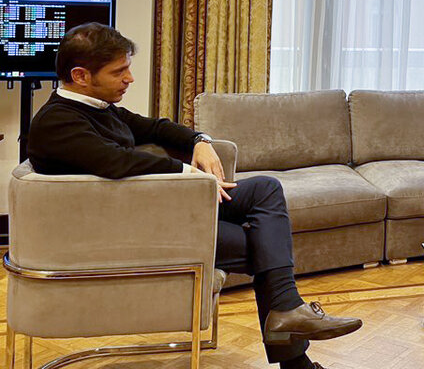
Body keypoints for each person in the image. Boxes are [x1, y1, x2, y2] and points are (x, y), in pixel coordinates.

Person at [26, 23, 361, 369]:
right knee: (264, 249)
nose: (130, 78)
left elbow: (154, 127)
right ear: (80, 75)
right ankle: (294, 349)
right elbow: (116, 161)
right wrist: (191, 176)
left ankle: (287, 313)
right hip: (133, 232)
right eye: (119, 71)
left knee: (265, 188)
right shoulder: (57, 123)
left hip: (164, 208)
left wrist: (199, 141)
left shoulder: (97, 106)